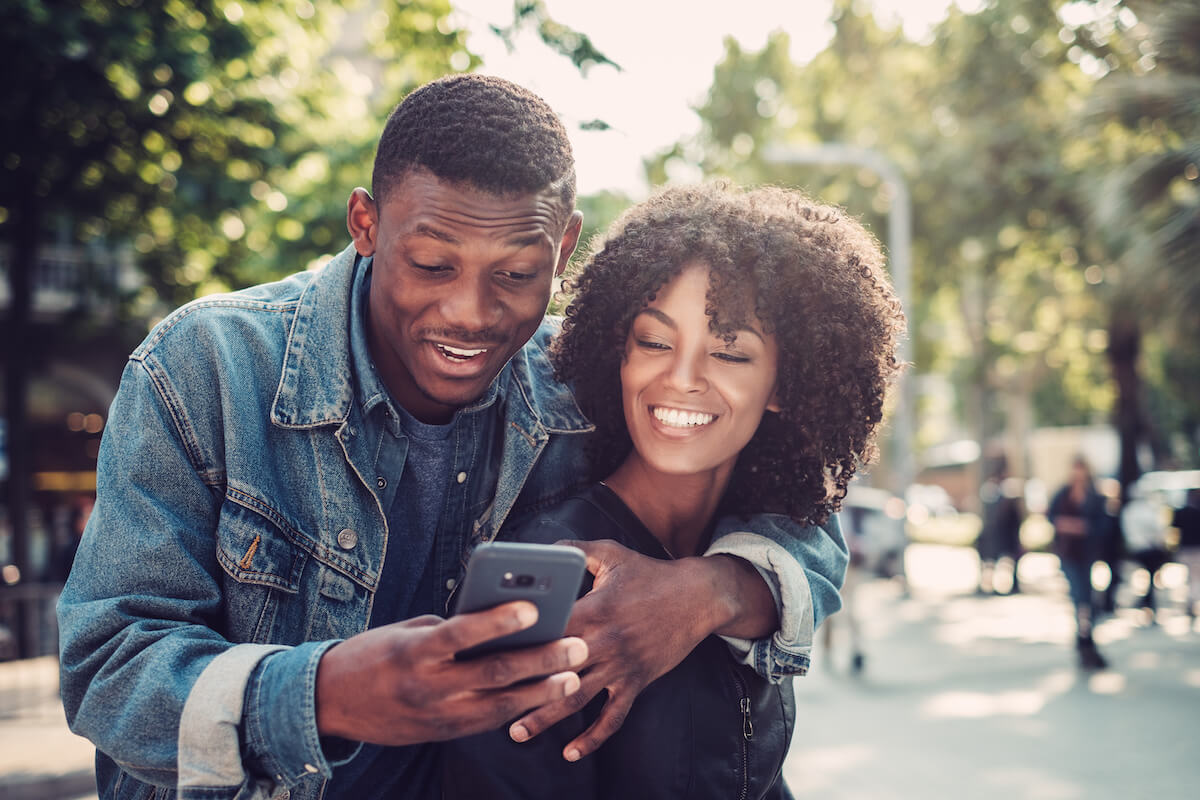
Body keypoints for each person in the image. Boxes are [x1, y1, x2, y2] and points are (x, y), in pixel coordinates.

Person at [56, 75, 848, 800]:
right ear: (366, 223)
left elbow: (801, 500)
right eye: (433, 264)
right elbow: (107, 670)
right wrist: (327, 692)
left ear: (564, 249)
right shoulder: (205, 368)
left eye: (516, 273)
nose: (471, 312)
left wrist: (710, 591)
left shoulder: (582, 378)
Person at [444, 182, 905, 798]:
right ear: (620, 354)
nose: (681, 379)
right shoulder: (543, 574)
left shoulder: (752, 569)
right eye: (655, 342)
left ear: (784, 385)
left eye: (729, 353)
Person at [1048, 457, 1108, 670]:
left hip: (1087, 554)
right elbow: (1052, 517)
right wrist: (1070, 526)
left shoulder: (1095, 495)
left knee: (1088, 597)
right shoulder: (1063, 494)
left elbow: (1102, 524)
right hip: (1068, 554)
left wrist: (1082, 527)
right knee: (1079, 596)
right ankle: (1083, 637)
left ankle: (1086, 636)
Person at [1120, 479, 1170, 622]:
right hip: (1143, 549)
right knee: (1150, 575)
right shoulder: (1138, 510)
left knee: (1150, 576)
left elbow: (1157, 529)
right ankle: (1147, 601)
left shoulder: (1139, 509)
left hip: (1144, 548)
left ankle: (1147, 600)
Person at [976, 461, 1025, 595]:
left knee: (1002, 562)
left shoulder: (1006, 493)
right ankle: (989, 584)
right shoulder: (992, 492)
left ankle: (1011, 584)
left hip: (1004, 535)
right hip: (996, 535)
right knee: (991, 562)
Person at [1173, 488, 1200, 623]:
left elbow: (1174, 528)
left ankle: (1191, 602)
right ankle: (1192, 602)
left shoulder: (1180, 513)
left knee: (1190, 578)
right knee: (1194, 578)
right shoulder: (1193, 512)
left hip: (1186, 549)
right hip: (1194, 549)